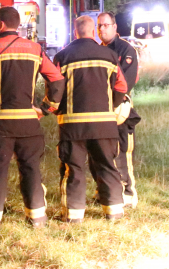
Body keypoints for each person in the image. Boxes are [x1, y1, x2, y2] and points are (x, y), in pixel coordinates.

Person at [0, 7, 65, 230]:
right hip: (29, 124)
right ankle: (38, 218)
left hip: (0, 124)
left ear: (0, 24)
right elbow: (57, 80)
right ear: (17, 25)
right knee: (31, 170)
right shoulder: (35, 49)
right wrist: (45, 108)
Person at [48, 16, 128, 222]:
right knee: (107, 165)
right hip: (104, 124)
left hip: (72, 126)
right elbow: (121, 87)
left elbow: (55, 88)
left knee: (73, 169)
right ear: (93, 31)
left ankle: (74, 216)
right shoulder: (109, 55)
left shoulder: (62, 56)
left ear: (75, 32)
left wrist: (54, 109)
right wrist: (112, 104)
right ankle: (114, 212)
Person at [96, 12, 141, 208]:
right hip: (100, 111)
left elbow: (125, 83)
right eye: (99, 26)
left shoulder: (126, 50)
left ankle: (128, 195)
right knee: (102, 155)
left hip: (119, 111)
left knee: (122, 153)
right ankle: (105, 192)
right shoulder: (97, 50)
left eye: (106, 25)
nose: (102, 29)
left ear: (115, 27)